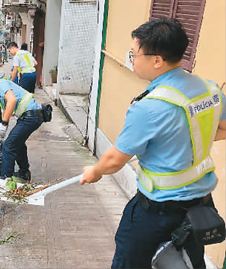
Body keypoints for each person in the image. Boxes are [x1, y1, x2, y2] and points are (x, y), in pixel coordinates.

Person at [79, 18, 226, 268]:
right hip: (200, 205)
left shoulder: (149, 107)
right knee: (189, 262)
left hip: (158, 211)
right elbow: (221, 128)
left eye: (134, 54)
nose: (131, 59)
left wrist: (94, 171)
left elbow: (115, 160)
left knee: (130, 260)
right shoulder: (210, 90)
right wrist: (180, 136)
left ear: (157, 60)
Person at [0, 67, 44, 182]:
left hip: (30, 116)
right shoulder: (1, 87)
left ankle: (5, 179)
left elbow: (12, 100)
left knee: (8, 147)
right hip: (31, 116)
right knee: (17, 143)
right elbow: (7, 109)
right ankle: (24, 172)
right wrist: (2, 130)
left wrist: (4, 123)